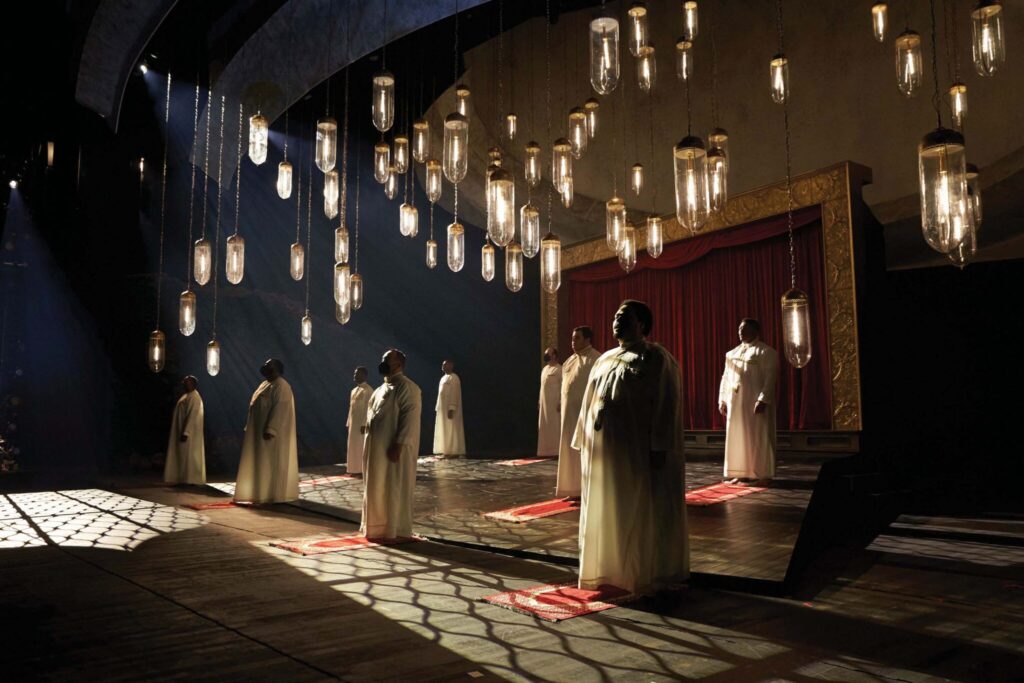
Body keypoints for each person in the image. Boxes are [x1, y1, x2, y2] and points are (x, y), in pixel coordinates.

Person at [574, 300, 688, 595]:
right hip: (602, 450)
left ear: (642, 324)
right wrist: (582, 441)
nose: (617, 320)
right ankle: (607, 570)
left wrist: (661, 446)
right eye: (615, 315)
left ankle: (638, 574)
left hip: (635, 451)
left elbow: (666, 404)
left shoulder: (655, 358)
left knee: (633, 510)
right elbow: (588, 405)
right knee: (605, 508)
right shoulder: (605, 359)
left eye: (624, 316)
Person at [361, 349, 422, 540]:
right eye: (382, 359)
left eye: (387, 360)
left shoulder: (408, 387)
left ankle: (394, 529)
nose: (383, 362)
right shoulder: (379, 390)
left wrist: (399, 444)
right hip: (376, 451)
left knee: (393, 487)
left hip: (394, 451)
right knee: (376, 487)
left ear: (399, 365)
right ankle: (376, 527)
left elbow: (409, 418)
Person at [719, 318, 779, 486]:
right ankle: (741, 473)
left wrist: (763, 399)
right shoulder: (731, 354)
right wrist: (722, 400)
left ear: (755, 331)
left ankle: (762, 474)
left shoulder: (767, 352)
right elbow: (725, 378)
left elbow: (770, 378)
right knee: (738, 436)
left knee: (758, 436)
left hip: (755, 402)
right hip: (735, 402)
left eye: (744, 329)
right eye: (739, 329)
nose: (740, 332)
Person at [234, 359, 299, 504]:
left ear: (276, 369)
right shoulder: (265, 385)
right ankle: (259, 493)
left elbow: (280, 409)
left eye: (269, 365)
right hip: (257, 432)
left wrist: (271, 428)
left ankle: (270, 495)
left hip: (271, 435)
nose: (265, 367)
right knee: (260, 464)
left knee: (269, 464)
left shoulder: (282, 386)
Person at [556, 327, 601, 498]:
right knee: (568, 450)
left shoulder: (596, 359)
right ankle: (571, 488)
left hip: (585, 415)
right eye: (572, 339)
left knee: (584, 450)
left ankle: (586, 489)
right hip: (568, 416)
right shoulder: (568, 361)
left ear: (588, 340)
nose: (573, 342)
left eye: (577, 339)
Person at [164, 375, 206, 485]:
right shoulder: (188, 396)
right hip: (182, 430)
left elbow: (193, 415)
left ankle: (190, 479)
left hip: (189, 433)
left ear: (193, 384)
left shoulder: (194, 397)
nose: (183, 384)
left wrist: (186, 432)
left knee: (189, 456)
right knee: (183, 456)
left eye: (186, 382)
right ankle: (183, 478)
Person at [433, 359, 466, 457]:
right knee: (444, 429)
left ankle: (453, 451)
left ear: (451, 366)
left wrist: (452, 407)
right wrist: (437, 407)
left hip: (450, 408)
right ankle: (446, 450)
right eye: (442, 365)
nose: (443, 366)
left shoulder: (454, 378)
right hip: (442, 409)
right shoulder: (443, 378)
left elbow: (454, 394)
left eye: (445, 365)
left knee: (451, 429)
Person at [345, 366, 373, 475]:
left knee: (360, 446)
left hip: (362, 425)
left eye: (357, 374)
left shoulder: (369, 390)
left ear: (364, 375)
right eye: (354, 373)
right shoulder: (353, 391)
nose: (355, 376)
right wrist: (348, 422)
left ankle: (361, 470)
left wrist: (366, 424)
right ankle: (353, 469)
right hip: (353, 423)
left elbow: (370, 409)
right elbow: (351, 408)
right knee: (352, 446)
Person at [537, 347, 561, 456]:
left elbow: (563, 386)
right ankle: (544, 451)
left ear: (554, 355)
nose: (546, 355)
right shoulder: (545, 369)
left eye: (548, 353)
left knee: (555, 426)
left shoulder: (559, 369)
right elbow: (542, 387)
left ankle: (555, 451)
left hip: (554, 404)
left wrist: (561, 401)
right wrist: (539, 401)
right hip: (544, 403)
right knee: (544, 427)